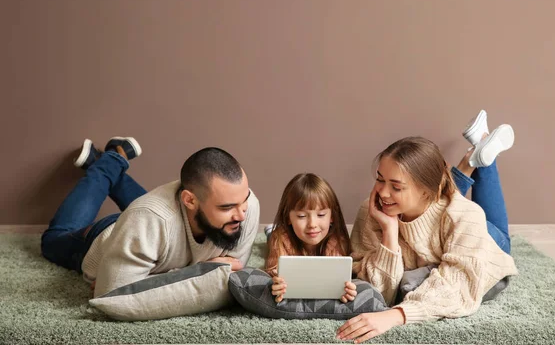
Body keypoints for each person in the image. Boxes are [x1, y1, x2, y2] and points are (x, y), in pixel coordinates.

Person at [337, 110, 518, 343]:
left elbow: (457, 288)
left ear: (426, 191)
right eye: (380, 179)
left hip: (489, 245)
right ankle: (477, 151)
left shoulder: (464, 216)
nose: (382, 193)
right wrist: (390, 233)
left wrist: (397, 315)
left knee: (477, 222)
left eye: (396, 186)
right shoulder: (373, 211)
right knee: (445, 213)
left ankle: (482, 152)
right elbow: (378, 292)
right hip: (440, 218)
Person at [41, 137, 260, 298]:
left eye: (244, 201)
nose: (242, 214)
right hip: (107, 236)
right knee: (53, 240)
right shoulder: (147, 219)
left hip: (159, 232)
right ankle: (112, 159)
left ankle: (106, 160)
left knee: (158, 214)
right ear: (190, 201)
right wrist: (202, 269)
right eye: (228, 206)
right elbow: (115, 292)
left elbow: (235, 267)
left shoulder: (165, 215)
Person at [265, 173, 357, 303]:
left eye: (321, 214)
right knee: (272, 236)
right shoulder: (280, 239)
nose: (312, 224)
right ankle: (269, 231)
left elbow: (337, 280)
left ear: (332, 217)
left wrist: (347, 289)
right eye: (302, 216)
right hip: (285, 235)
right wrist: (276, 283)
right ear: (288, 218)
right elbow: (272, 271)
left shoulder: (337, 241)